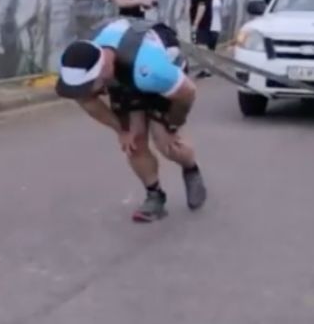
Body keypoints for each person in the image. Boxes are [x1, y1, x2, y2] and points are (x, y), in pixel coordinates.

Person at [55, 17, 207, 222]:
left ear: (102, 72)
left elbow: (187, 93)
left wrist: (174, 123)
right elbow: (87, 101)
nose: (83, 93)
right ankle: (154, 195)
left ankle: (190, 168)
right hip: (124, 78)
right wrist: (121, 130)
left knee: (165, 142)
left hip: (158, 69)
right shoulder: (76, 61)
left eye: (87, 87)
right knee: (133, 142)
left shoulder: (153, 70)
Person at [189, 0, 214, 78]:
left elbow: (201, 6)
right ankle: (208, 67)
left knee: (201, 45)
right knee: (202, 44)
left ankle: (207, 68)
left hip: (201, 21)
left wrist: (196, 23)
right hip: (207, 20)